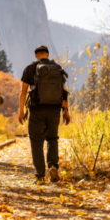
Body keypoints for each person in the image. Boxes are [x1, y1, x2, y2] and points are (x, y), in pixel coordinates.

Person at [18, 45, 70, 185]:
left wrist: (21, 110)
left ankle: (40, 176)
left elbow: (23, 92)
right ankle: (53, 165)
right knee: (52, 138)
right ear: (47, 54)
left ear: (36, 56)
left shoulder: (30, 68)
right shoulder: (58, 68)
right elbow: (64, 93)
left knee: (36, 142)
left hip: (37, 110)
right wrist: (66, 112)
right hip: (54, 110)